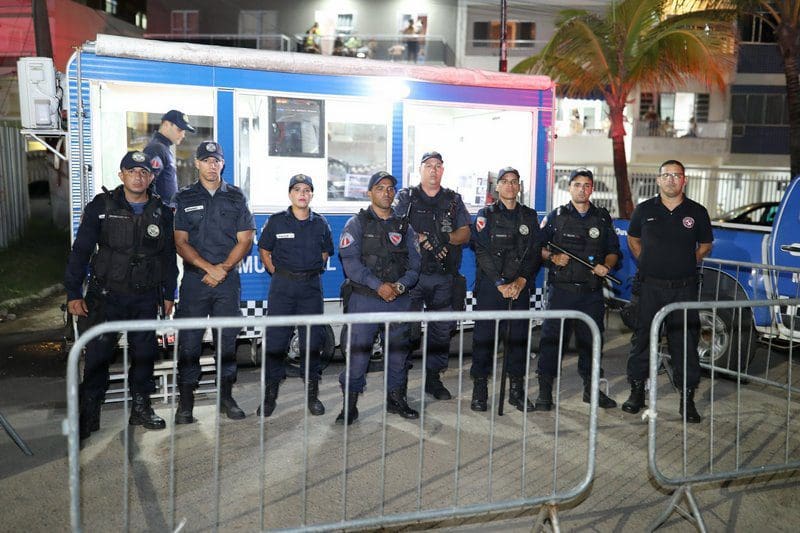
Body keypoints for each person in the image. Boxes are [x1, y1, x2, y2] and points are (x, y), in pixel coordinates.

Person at [65, 151, 178, 440]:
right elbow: (81, 251)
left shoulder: (162, 212)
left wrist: (169, 293)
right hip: (106, 296)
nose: (138, 177)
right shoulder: (101, 206)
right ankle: (89, 412)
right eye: (132, 171)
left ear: (151, 178)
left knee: (145, 355)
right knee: (98, 356)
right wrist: (73, 292)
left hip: (145, 296)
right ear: (121, 175)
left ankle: (141, 408)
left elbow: (168, 256)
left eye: (144, 172)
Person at [623, 160, 713, 423]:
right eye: (666, 175)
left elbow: (705, 245)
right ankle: (636, 392)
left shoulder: (697, 211)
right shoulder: (644, 210)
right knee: (642, 340)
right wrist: (646, 260)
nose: (671, 179)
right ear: (658, 180)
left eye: (676, 175)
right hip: (650, 287)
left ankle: (687, 399)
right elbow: (633, 239)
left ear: (684, 180)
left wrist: (686, 261)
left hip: (683, 290)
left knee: (684, 344)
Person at [173, 141, 255, 424]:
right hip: (195, 281)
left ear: (223, 164)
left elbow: (245, 239)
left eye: (216, 160)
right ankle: (185, 403)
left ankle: (226, 398)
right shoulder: (184, 197)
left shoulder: (235, 196)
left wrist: (223, 268)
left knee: (227, 342)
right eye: (206, 160)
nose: (212, 165)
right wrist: (209, 268)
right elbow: (180, 241)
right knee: (189, 343)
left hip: (227, 281)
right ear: (197, 163)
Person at [337, 171, 421, 425]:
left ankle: (396, 400)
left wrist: (399, 286)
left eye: (390, 188)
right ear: (369, 193)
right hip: (365, 299)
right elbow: (350, 264)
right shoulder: (357, 223)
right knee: (358, 355)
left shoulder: (405, 227)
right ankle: (350, 405)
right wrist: (379, 286)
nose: (386, 192)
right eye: (380, 188)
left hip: (398, 299)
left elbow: (415, 266)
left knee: (398, 355)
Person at [535, 168, 620, 411]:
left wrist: (606, 266)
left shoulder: (602, 218)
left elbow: (613, 251)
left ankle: (591, 391)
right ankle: (544, 392)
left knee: (592, 342)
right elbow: (537, 247)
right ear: (570, 188)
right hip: (562, 291)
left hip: (591, 293)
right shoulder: (556, 216)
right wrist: (553, 257)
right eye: (577, 185)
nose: (582, 189)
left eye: (586, 185)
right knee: (552, 342)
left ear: (592, 189)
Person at [395, 151, 471, 402]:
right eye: (428, 165)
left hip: (443, 276)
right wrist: (421, 238)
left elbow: (465, 233)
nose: (433, 170)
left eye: (438, 166)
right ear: (420, 169)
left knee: (441, 331)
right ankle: (399, 383)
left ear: (443, 170)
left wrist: (443, 238)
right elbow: (394, 227)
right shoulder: (406, 197)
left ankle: (433, 379)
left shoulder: (453, 200)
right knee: (407, 331)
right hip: (412, 277)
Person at [256, 174, 334, 417]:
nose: (302, 194)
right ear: (290, 194)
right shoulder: (277, 221)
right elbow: (264, 249)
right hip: (283, 288)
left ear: (311, 195)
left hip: (310, 288)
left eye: (307, 190)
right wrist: (277, 272)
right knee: (276, 342)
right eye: (297, 189)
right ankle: (269, 396)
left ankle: (312, 396)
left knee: (311, 343)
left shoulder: (320, 223)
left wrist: (311, 269)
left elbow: (325, 253)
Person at [469, 167, 542, 413]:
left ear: (519, 186)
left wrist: (521, 281)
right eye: (505, 181)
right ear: (497, 187)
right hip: (492, 288)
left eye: (514, 181)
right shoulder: (486, 215)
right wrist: (500, 283)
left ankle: (516, 391)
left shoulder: (529, 216)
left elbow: (534, 253)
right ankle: (480, 389)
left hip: (519, 288)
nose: (510, 185)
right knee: (483, 340)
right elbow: (482, 252)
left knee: (518, 341)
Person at [143, 109, 196, 208]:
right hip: (160, 214)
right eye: (179, 130)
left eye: (184, 131)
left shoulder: (163, 149)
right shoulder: (156, 149)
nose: (183, 135)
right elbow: (146, 186)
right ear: (166, 125)